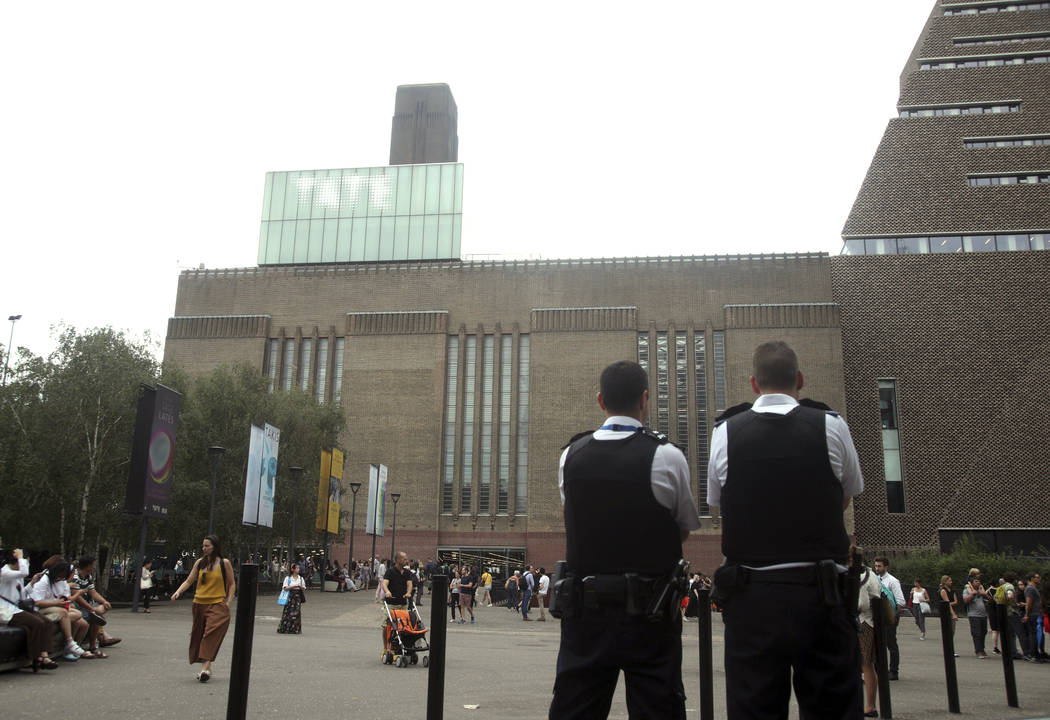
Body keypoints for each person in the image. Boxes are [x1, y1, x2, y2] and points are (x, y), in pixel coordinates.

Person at [708, 342, 864, 719]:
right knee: (833, 708)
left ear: (753, 383)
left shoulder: (726, 431)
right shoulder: (831, 425)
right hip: (822, 595)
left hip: (753, 598)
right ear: (800, 380)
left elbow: (719, 503)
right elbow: (845, 495)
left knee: (754, 709)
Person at [550, 360, 701, 719]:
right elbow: (683, 528)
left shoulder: (571, 455)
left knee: (575, 708)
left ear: (601, 401)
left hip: (585, 612)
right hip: (649, 614)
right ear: (645, 399)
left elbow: (579, 520)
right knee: (657, 707)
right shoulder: (667, 455)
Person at [171, 535, 236, 682]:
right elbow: (189, 581)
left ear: (215, 547)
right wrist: (178, 592)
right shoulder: (199, 563)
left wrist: (228, 602)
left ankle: (204, 670)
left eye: (207, 546)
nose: (204, 548)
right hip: (199, 603)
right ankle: (208, 667)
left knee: (210, 634)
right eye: (203, 546)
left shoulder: (224, 563)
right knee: (199, 635)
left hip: (217, 604)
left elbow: (232, 584)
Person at [1, 548, 58, 670]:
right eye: (26, 562)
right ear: (18, 562)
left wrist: (32, 583)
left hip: (17, 608)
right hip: (6, 610)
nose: (27, 565)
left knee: (47, 622)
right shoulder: (4, 573)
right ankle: (39, 657)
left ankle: (42, 655)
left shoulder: (17, 575)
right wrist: (21, 557)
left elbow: (21, 595)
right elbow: (24, 572)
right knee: (37, 623)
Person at [29, 557, 92, 659]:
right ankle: (69, 642)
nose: (61, 579)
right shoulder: (43, 581)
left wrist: (63, 603)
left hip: (54, 606)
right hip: (40, 608)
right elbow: (36, 602)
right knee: (64, 613)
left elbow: (65, 598)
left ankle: (71, 647)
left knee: (81, 620)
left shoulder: (61, 582)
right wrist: (57, 603)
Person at [856, 554, 885, 719]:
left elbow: (860, 604)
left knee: (866, 664)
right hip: (871, 621)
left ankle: (870, 705)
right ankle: (869, 704)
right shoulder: (871, 574)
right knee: (868, 664)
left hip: (863, 622)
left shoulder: (860, 575)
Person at [71, 555, 117, 657]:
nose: (93, 567)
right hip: (77, 606)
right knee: (95, 615)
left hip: (88, 605)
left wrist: (104, 601)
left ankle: (95, 643)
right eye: (92, 565)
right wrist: (91, 608)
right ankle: (94, 644)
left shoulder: (88, 576)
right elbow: (77, 597)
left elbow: (93, 592)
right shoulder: (75, 577)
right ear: (87, 566)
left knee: (100, 610)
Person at [874, 557, 906, 680]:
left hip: (889, 617)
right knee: (878, 644)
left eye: (879, 566)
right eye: (876, 566)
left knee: (891, 644)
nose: (877, 568)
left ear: (886, 567)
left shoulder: (892, 581)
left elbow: (900, 601)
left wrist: (893, 616)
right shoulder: (875, 579)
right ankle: (880, 669)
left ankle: (894, 671)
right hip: (878, 617)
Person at [381, 551, 414, 654]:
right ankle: (386, 647)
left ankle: (401, 646)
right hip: (391, 603)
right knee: (387, 625)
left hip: (403, 603)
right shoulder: (390, 572)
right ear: (397, 560)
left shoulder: (407, 573)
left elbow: (409, 585)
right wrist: (387, 592)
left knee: (404, 626)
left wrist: (408, 593)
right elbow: (384, 583)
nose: (406, 560)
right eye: (404, 559)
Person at [963, 568, 990, 658]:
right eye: (976, 581)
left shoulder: (981, 590)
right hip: (974, 615)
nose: (978, 582)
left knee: (983, 632)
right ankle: (978, 651)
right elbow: (965, 600)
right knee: (977, 633)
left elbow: (989, 599)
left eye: (979, 581)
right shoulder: (967, 589)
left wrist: (984, 594)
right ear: (972, 582)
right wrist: (972, 594)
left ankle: (982, 649)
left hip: (983, 615)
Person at [277, 563, 306, 634]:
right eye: (297, 568)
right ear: (293, 569)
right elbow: (285, 588)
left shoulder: (301, 578)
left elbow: (304, 588)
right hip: (290, 597)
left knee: (296, 613)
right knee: (287, 612)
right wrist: (294, 586)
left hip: (297, 598)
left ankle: (295, 629)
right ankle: (285, 628)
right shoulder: (288, 578)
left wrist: (300, 586)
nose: (298, 569)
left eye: (299, 568)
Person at [1022, 572, 1042, 661]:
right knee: (1033, 634)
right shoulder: (1030, 589)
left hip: (1036, 613)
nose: (1039, 578)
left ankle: (1037, 652)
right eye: (1037, 577)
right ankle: (1033, 654)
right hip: (1033, 614)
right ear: (1032, 578)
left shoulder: (1033, 588)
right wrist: (1027, 615)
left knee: (1036, 634)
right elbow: (1029, 603)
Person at [939, 575, 959, 657]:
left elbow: (955, 601)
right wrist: (953, 614)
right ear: (945, 582)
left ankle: (950, 649)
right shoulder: (943, 590)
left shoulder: (952, 590)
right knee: (948, 632)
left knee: (952, 632)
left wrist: (949, 604)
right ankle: (949, 650)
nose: (951, 582)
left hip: (950, 609)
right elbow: (947, 603)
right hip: (946, 613)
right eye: (949, 581)